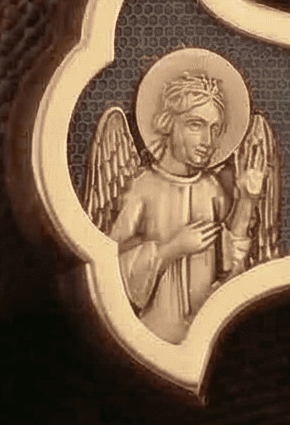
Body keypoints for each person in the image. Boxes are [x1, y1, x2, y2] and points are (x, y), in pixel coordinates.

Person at [104, 70, 269, 343]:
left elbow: (231, 262)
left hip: (206, 331)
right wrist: (171, 249)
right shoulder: (142, 188)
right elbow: (108, 270)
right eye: (196, 125)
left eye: (215, 129)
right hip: (150, 335)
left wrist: (247, 200)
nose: (208, 141)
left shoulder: (212, 188)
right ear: (168, 124)